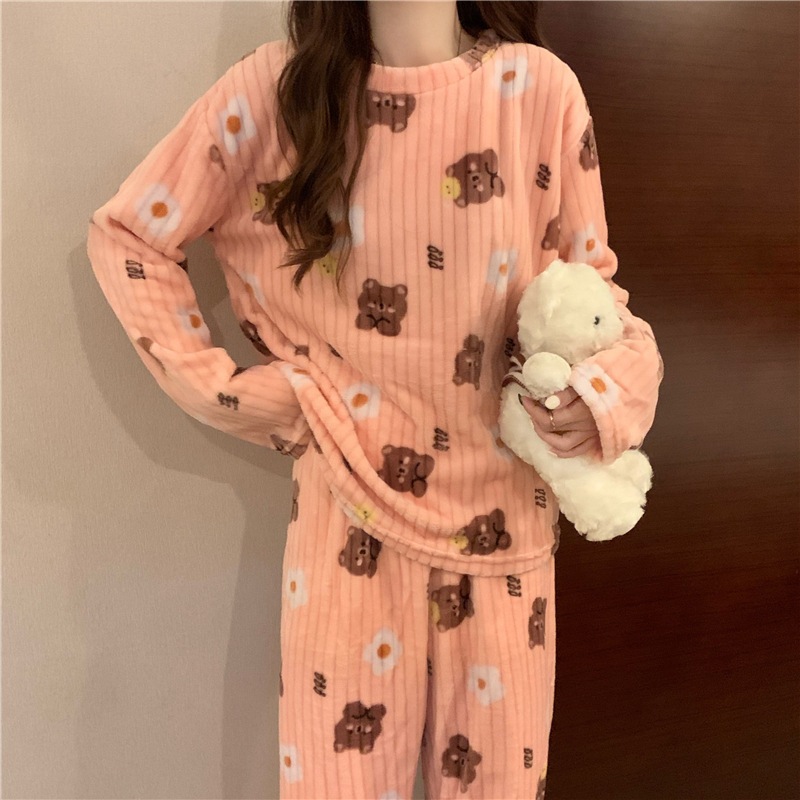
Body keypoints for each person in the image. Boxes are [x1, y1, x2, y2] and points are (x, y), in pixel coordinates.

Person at [86, 2, 663, 797]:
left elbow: (595, 300)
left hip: (506, 532)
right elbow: (129, 237)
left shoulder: (539, 92)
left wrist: (606, 396)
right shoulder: (277, 95)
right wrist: (238, 395)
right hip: (346, 520)